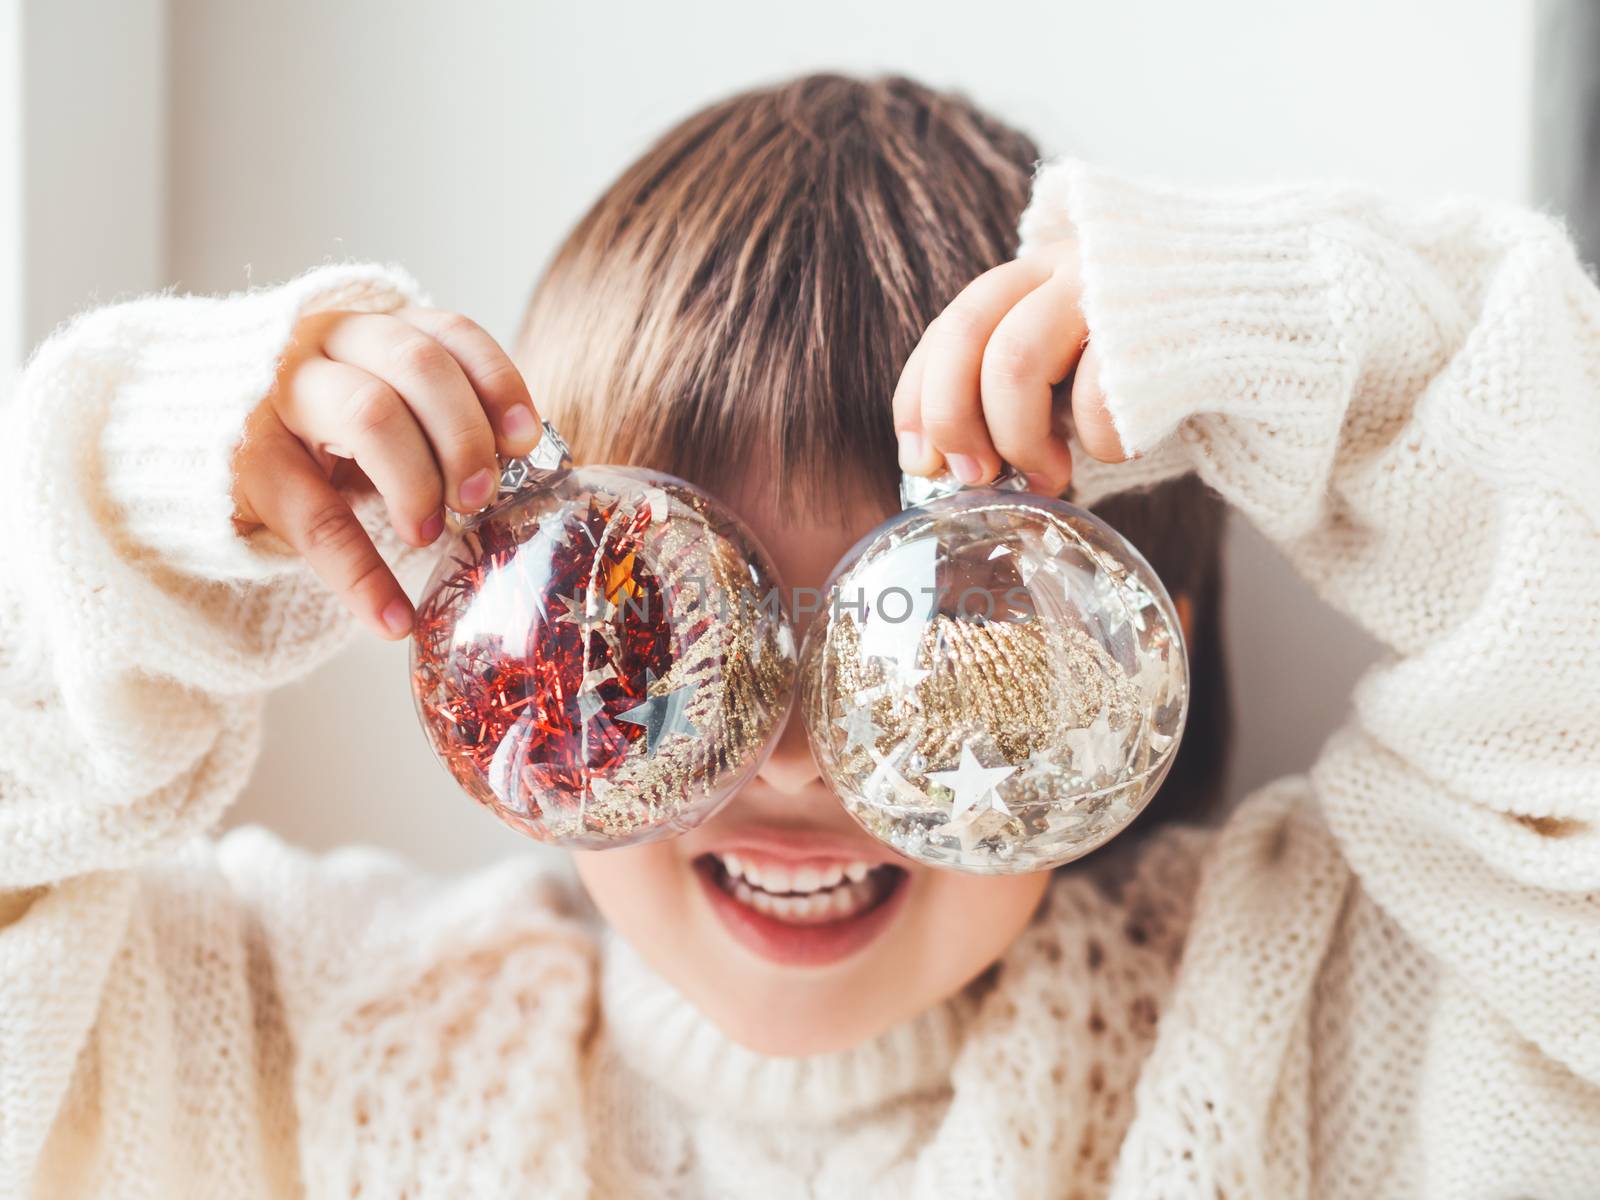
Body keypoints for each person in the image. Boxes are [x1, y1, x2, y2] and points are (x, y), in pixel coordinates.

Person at [2, 72, 1596, 1198]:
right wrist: (139, 487)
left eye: (945, 649)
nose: (783, 755)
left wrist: (1345, 344)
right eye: (646, 634)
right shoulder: (301, 1042)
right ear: (499, 615)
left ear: (1143, 655)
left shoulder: (1303, 1034)